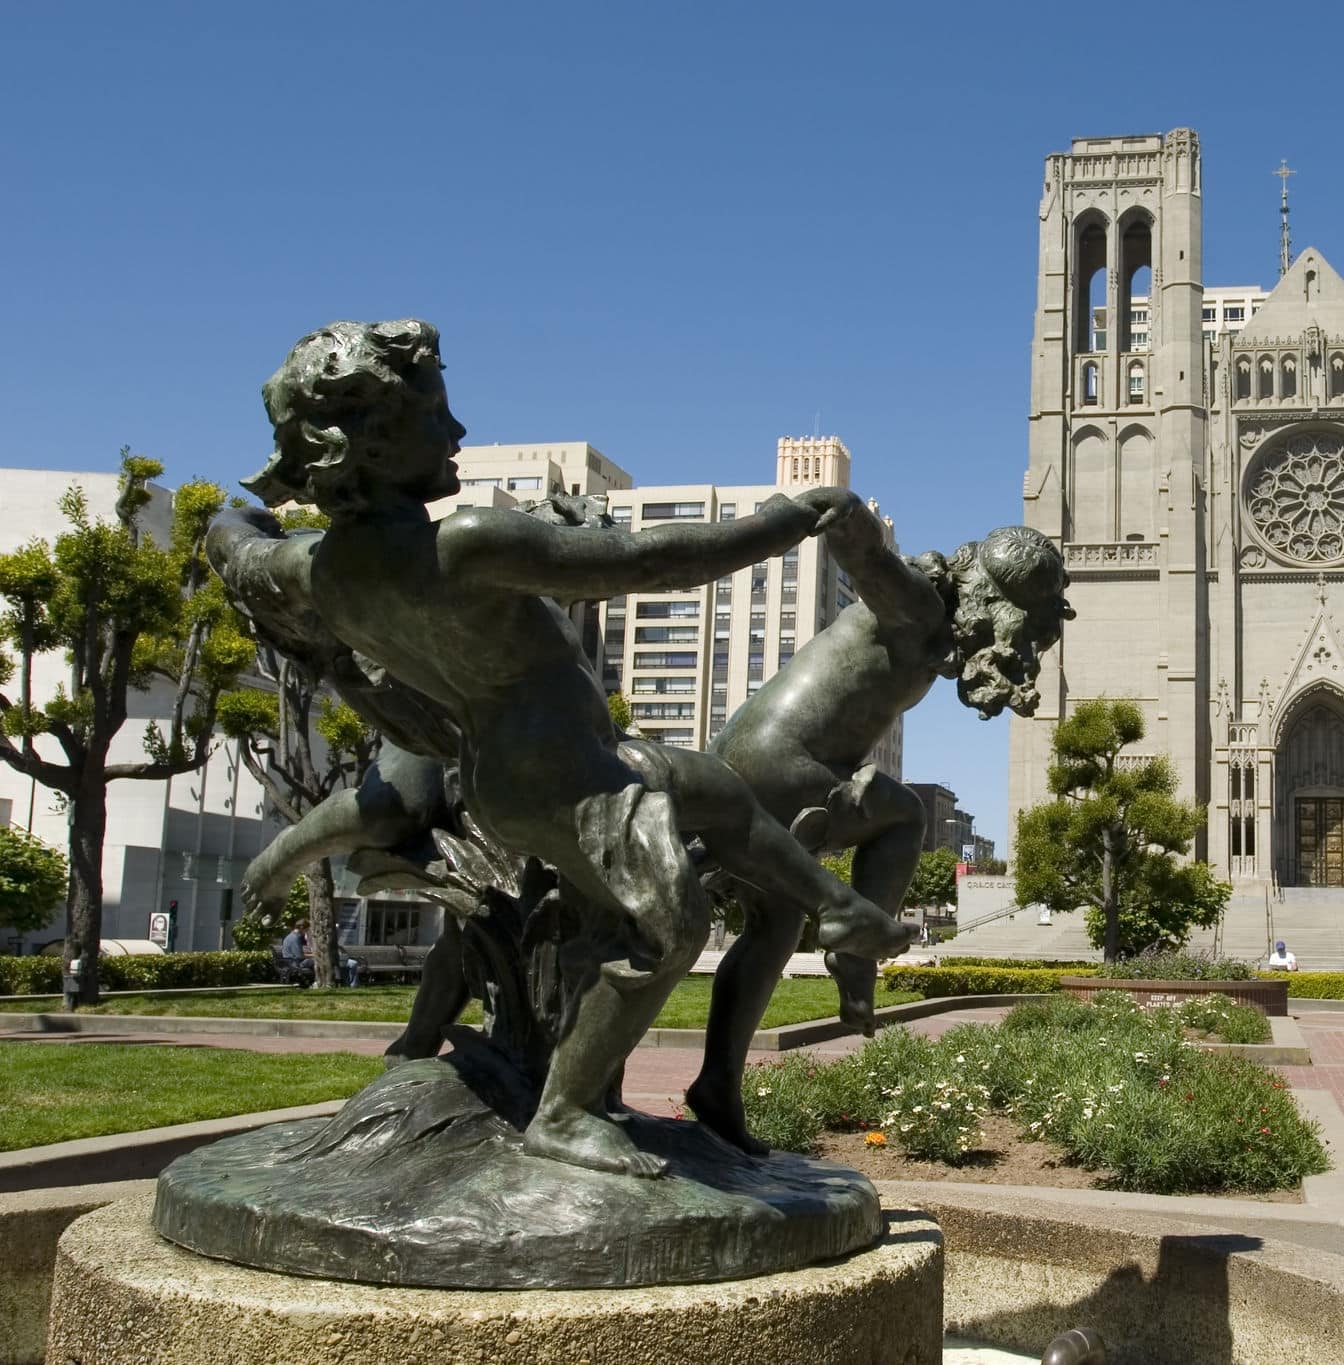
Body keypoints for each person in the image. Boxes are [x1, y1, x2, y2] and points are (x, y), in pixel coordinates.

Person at [219, 318, 909, 1177]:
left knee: (722, 794)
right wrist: (789, 518)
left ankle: (837, 909)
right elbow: (650, 560)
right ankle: (567, 1109)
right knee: (672, 923)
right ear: (373, 441)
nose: (459, 434)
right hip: (563, 780)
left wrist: (231, 516)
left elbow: (238, 550)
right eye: (438, 413)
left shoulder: (314, 570)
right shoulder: (463, 543)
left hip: (541, 765)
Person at [688, 507, 1069, 1153]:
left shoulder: (929, 625)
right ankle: (857, 948)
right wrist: (845, 512)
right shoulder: (917, 605)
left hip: (761, 759)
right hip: (786, 764)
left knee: (774, 926)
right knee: (907, 813)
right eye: (1013, 625)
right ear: (986, 596)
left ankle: (717, 1088)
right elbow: (869, 561)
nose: (1010, 645)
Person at [279, 919, 315, 986]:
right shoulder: (296, 938)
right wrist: (314, 955)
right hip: (294, 963)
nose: (306, 932)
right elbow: (299, 956)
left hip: (289, 961)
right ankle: (315, 981)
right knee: (315, 961)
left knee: (313, 960)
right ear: (301, 928)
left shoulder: (289, 936)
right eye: (306, 930)